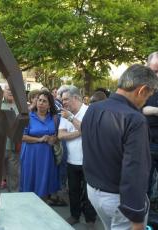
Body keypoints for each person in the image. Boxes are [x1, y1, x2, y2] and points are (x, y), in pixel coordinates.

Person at [82, 64, 158, 230]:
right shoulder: (135, 119)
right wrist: (137, 217)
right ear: (142, 90)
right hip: (120, 200)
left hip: (94, 192)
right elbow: (136, 171)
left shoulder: (93, 108)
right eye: (148, 96)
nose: (145, 101)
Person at [58, 85, 96, 228]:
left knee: (89, 193)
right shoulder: (65, 114)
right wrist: (80, 132)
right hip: (71, 160)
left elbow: (90, 130)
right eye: (62, 100)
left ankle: (90, 220)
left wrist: (72, 119)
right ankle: (75, 215)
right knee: (73, 191)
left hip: (88, 161)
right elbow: (60, 135)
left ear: (76, 98)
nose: (64, 103)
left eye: (66, 99)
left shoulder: (89, 111)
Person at [20, 90, 62, 203]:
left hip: (47, 157)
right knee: (29, 185)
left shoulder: (54, 118)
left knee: (44, 187)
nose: (41, 103)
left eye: (44, 101)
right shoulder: (28, 116)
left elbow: (58, 135)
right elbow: (21, 137)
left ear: (49, 105)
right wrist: (39, 139)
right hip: (30, 155)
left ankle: (42, 210)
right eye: (39, 100)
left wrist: (54, 139)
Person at [143, 51, 158, 199]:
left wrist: (151, 110)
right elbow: (134, 108)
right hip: (146, 142)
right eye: (154, 71)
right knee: (144, 185)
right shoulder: (142, 86)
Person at [1, 84, 19, 191]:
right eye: (8, 89)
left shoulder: (21, 106)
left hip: (14, 147)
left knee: (14, 176)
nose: (11, 91)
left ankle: (14, 197)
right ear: (4, 91)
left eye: (13, 89)